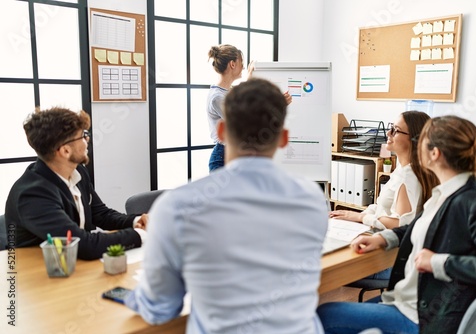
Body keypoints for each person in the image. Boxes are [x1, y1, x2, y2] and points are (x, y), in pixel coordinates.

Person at [125, 78, 328, 333]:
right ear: (283, 138)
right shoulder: (313, 199)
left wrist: (131, 294)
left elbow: (160, 308)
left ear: (221, 132)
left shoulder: (177, 207)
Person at [317, 115, 476, 334]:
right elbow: (419, 225)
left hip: (422, 317)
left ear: (435, 153)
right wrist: (385, 238)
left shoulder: (473, 204)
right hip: (406, 302)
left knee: (324, 316)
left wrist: (438, 262)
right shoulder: (444, 193)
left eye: (420, 140)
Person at [5, 107, 147, 260]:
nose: (87, 140)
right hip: (42, 272)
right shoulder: (33, 194)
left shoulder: (77, 172)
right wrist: (140, 234)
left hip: (73, 264)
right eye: (82, 136)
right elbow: (82, 244)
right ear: (65, 151)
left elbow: (100, 214)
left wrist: (135, 221)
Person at [330, 111, 438, 230]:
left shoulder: (408, 176)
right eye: (390, 128)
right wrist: (356, 216)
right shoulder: (402, 169)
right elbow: (382, 208)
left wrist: (361, 218)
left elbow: (401, 224)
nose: (388, 133)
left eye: (395, 130)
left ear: (414, 139)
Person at [206, 44, 291, 172]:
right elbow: (244, 121)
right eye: (242, 63)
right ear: (232, 64)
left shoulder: (226, 92)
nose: (244, 67)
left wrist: (251, 77)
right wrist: (278, 105)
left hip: (232, 153)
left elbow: (243, 102)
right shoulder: (217, 97)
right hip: (223, 156)